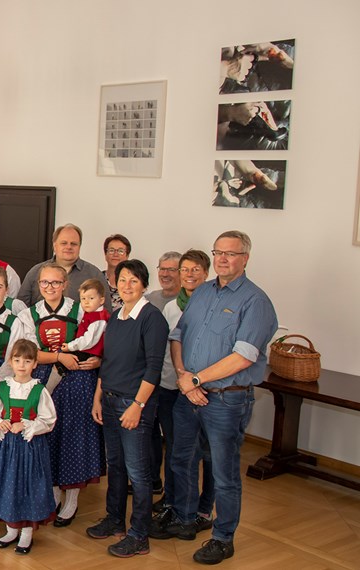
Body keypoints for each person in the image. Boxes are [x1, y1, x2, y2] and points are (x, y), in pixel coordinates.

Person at [161, 231, 276, 565]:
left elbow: (243, 356)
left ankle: (223, 538)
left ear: (246, 258)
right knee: (181, 459)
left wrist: (195, 379)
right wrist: (185, 378)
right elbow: (178, 335)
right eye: (218, 253)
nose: (223, 259)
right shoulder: (203, 292)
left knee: (223, 472)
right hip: (189, 394)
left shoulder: (256, 301)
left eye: (231, 253)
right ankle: (185, 518)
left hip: (227, 400)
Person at [87, 259, 168, 558]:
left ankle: (139, 534)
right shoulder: (116, 317)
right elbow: (107, 361)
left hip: (133, 404)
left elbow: (153, 369)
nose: (127, 285)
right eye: (122, 280)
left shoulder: (152, 319)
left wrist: (138, 405)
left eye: (134, 280)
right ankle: (115, 520)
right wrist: (97, 396)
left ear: (144, 284)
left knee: (138, 471)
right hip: (109, 399)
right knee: (116, 466)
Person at [19, 263, 103, 527]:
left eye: (56, 283)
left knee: (74, 435)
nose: (50, 288)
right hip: (44, 379)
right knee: (48, 436)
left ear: (66, 284)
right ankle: (54, 492)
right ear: (38, 285)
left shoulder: (80, 310)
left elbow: (97, 341)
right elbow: (29, 352)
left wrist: (96, 360)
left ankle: (72, 498)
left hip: (77, 380)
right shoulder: (29, 314)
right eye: (45, 283)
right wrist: (59, 356)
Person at [149, 250, 215, 538]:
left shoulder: (213, 304)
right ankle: (175, 504)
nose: (188, 275)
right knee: (178, 451)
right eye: (184, 269)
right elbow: (169, 347)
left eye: (194, 270)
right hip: (172, 386)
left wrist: (196, 381)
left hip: (203, 389)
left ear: (205, 272)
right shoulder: (172, 307)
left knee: (207, 453)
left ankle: (202, 510)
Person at [0, 339, 58, 555]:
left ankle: (26, 534)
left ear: (34, 364)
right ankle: (11, 530)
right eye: (17, 360)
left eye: (27, 360)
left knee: (27, 486)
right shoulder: (2, 387)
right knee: (6, 485)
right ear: (11, 362)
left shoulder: (39, 390)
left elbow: (49, 419)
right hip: (5, 447)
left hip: (29, 448)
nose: (21, 365)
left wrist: (28, 425)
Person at [145, 250, 182, 496]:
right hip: (148, 378)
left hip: (173, 381)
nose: (165, 274)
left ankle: (172, 493)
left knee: (172, 436)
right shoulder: (150, 299)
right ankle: (152, 479)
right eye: (162, 268)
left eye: (172, 269)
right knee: (149, 432)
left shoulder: (186, 302)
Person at [17, 223, 110, 310]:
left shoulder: (94, 275)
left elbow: (106, 311)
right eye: (64, 243)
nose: (69, 247)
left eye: (73, 244)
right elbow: (20, 308)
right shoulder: (36, 272)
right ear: (54, 245)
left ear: (79, 247)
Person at [59, 279, 110, 367]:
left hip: (90, 353)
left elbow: (89, 340)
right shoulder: (90, 313)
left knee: (62, 359)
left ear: (101, 300)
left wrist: (71, 346)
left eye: (91, 298)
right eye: (83, 298)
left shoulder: (98, 319)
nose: (86, 302)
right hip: (84, 348)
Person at [102, 234, 131, 311]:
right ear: (105, 254)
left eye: (120, 251)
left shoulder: (132, 283)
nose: (115, 254)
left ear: (127, 256)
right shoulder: (97, 278)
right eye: (111, 250)